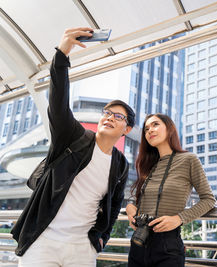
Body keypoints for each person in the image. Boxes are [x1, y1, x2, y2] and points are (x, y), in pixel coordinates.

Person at [11, 27, 135, 266]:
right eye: (107, 113)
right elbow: (58, 104)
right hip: (43, 240)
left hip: (81, 247)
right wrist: (62, 54)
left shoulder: (120, 164)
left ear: (127, 129)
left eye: (118, 117)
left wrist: (101, 239)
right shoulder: (73, 137)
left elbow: (114, 203)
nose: (109, 117)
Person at [126, 113, 216, 267]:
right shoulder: (149, 165)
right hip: (139, 241)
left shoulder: (189, 159)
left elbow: (209, 199)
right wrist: (129, 206)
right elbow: (138, 198)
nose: (149, 131)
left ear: (169, 129)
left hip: (167, 245)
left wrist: (179, 219)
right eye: (146, 129)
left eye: (155, 125)